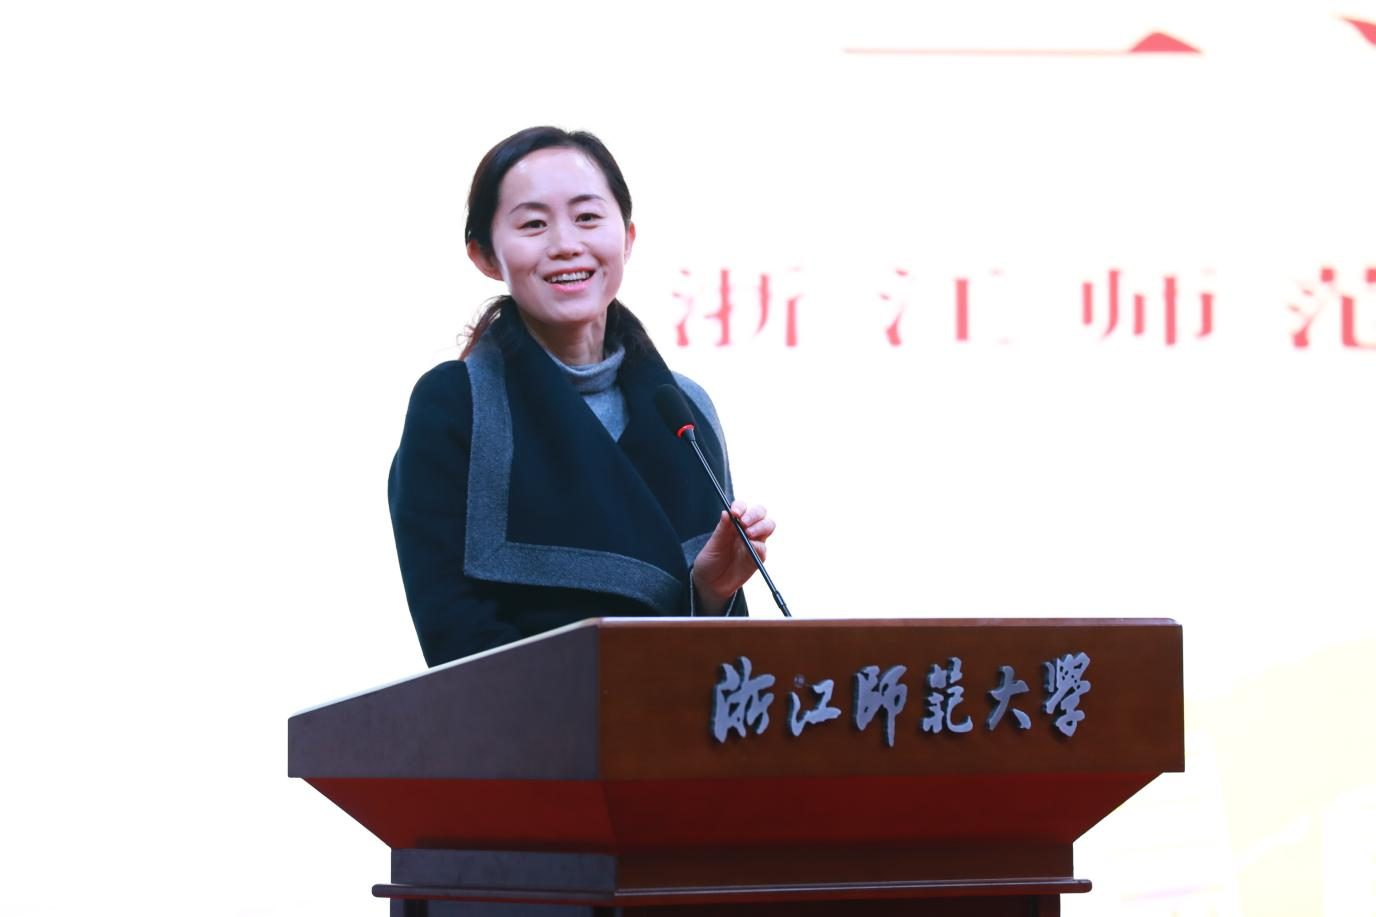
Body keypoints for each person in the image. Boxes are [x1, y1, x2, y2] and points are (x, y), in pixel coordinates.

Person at [389, 126, 776, 667]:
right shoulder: (456, 406)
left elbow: (728, 667)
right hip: (531, 717)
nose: (566, 244)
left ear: (628, 238)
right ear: (485, 256)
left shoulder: (683, 409)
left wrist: (711, 591)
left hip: (674, 718)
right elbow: (455, 636)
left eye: (588, 217)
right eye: (533, 223)